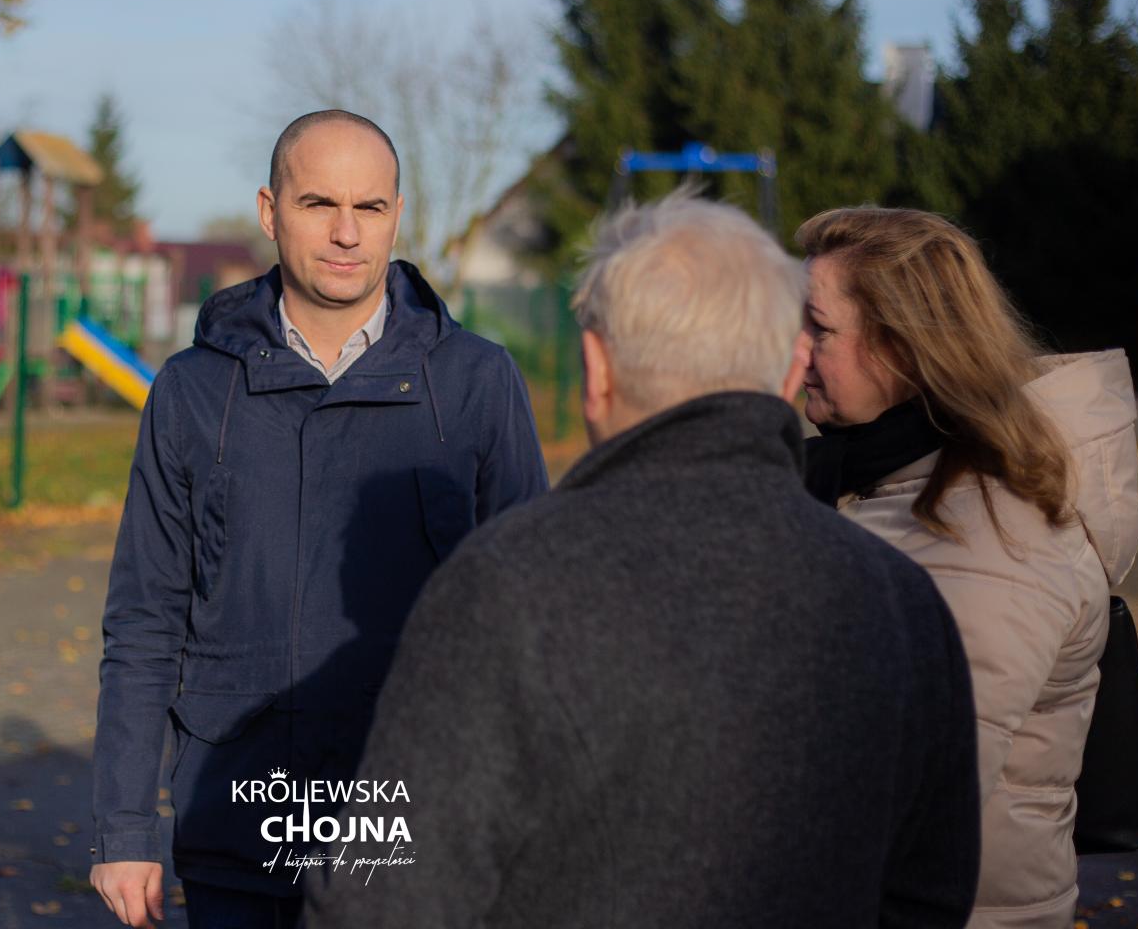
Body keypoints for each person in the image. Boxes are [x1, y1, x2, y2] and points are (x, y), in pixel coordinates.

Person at [305, 192, 982, 929]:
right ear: (791, 371)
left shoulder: (502, 586)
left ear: (596, 368)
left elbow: (378, 899)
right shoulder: (901, 601)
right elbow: (931, 895)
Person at [89, 110, 548, 927]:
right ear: (270, 212)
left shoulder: (476, 383)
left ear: (396, 216)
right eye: (318, 204)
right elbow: (145, 618)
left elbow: (528, 623)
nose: (346, 233)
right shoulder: (193, 391)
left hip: (417, 837)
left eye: (369, 207)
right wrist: (124, 827)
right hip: (239, 828)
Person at [796, 206, 1138, 928]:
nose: (793, 349)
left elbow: (898, 810)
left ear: (903, 349)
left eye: (819, 329)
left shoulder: (990, 539)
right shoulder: (899, 481)